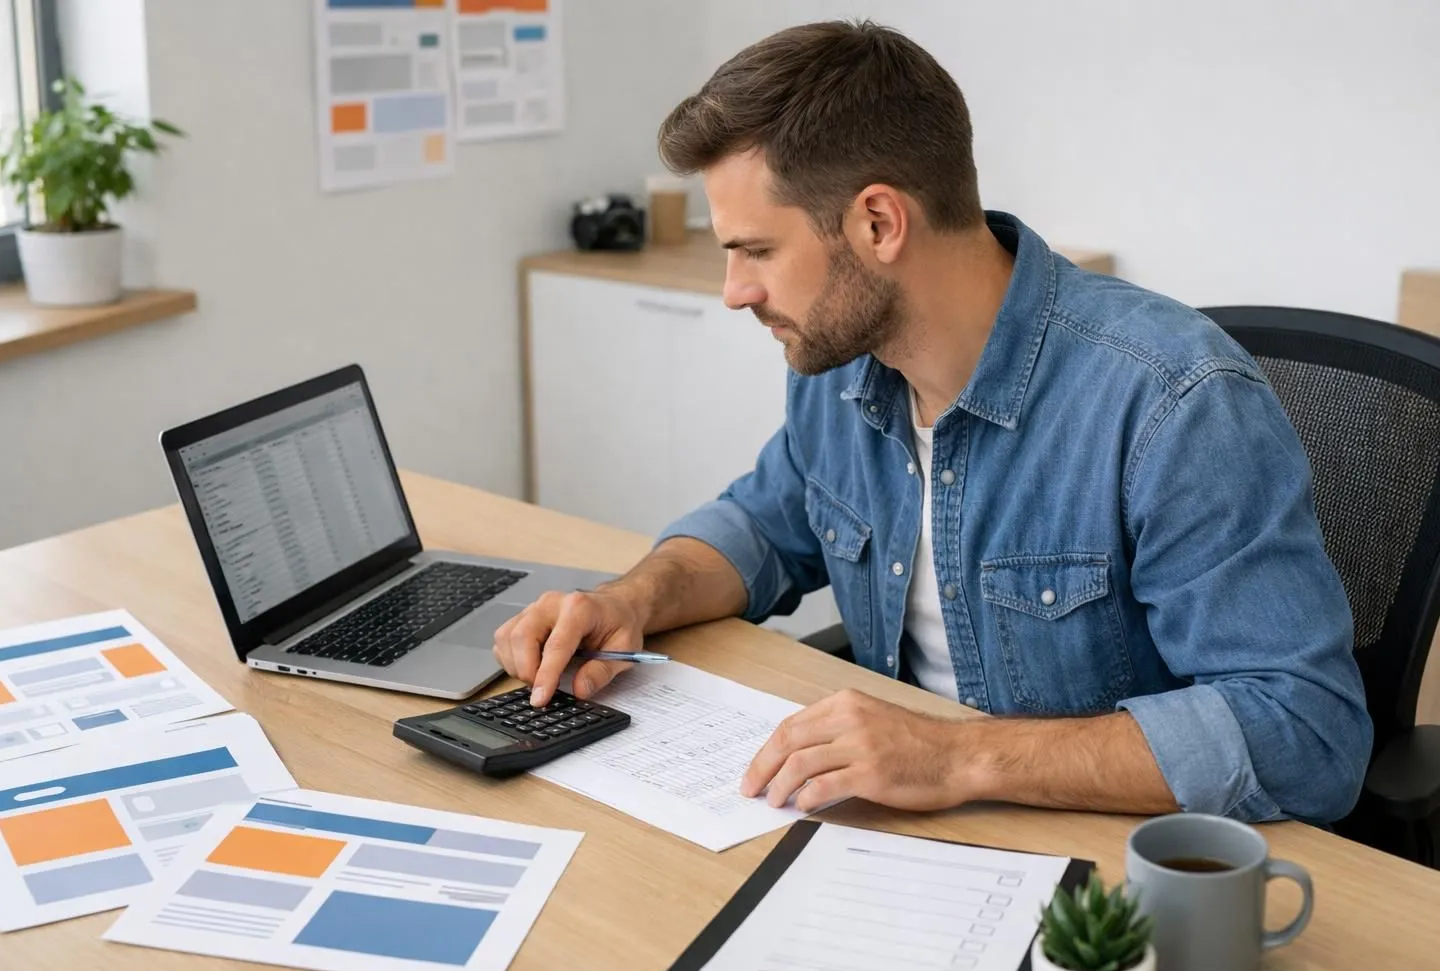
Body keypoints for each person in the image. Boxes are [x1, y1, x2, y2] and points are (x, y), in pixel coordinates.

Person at [494, 19, 1372, 825]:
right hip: (896, 829)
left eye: (756, 250)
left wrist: (956, 755)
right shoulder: (841, 367)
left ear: (878, 222)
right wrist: (632, 599)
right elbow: (762, 525)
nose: (735, 292)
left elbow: (1306, 734)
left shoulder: (1175, 401)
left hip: (1107, 863)